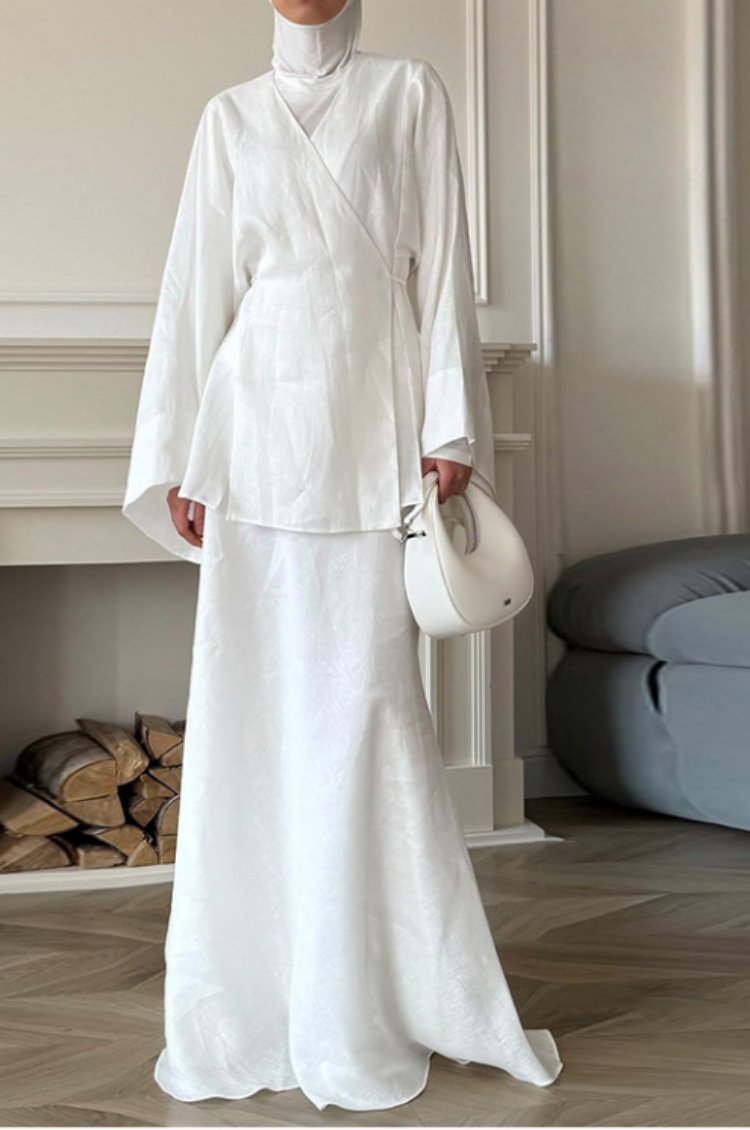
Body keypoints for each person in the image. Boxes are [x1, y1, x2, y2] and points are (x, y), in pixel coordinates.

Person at [122, 0, 564, 1112]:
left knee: (369, 717)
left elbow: (442, 265)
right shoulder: (228, 118)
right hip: (254, 451)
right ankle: (256, 1003)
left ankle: (370, 997)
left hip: (374, 442)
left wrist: (450, 426)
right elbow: (193, 294)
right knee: (251, 718)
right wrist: (180, 460)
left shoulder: (409, 92)